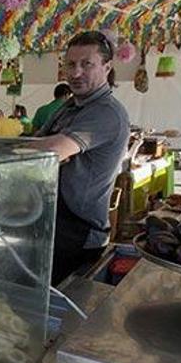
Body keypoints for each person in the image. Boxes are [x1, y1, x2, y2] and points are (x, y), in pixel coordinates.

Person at [28, 31, 130, 285]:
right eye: (70, 65)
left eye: (87, 64)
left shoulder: (107, 113)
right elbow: (37, 142)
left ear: (107, 67)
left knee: (58, 314)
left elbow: (51, 150)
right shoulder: (69, 106)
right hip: (51, 225)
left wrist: (49, 149)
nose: (75, 73)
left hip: (78, 234)